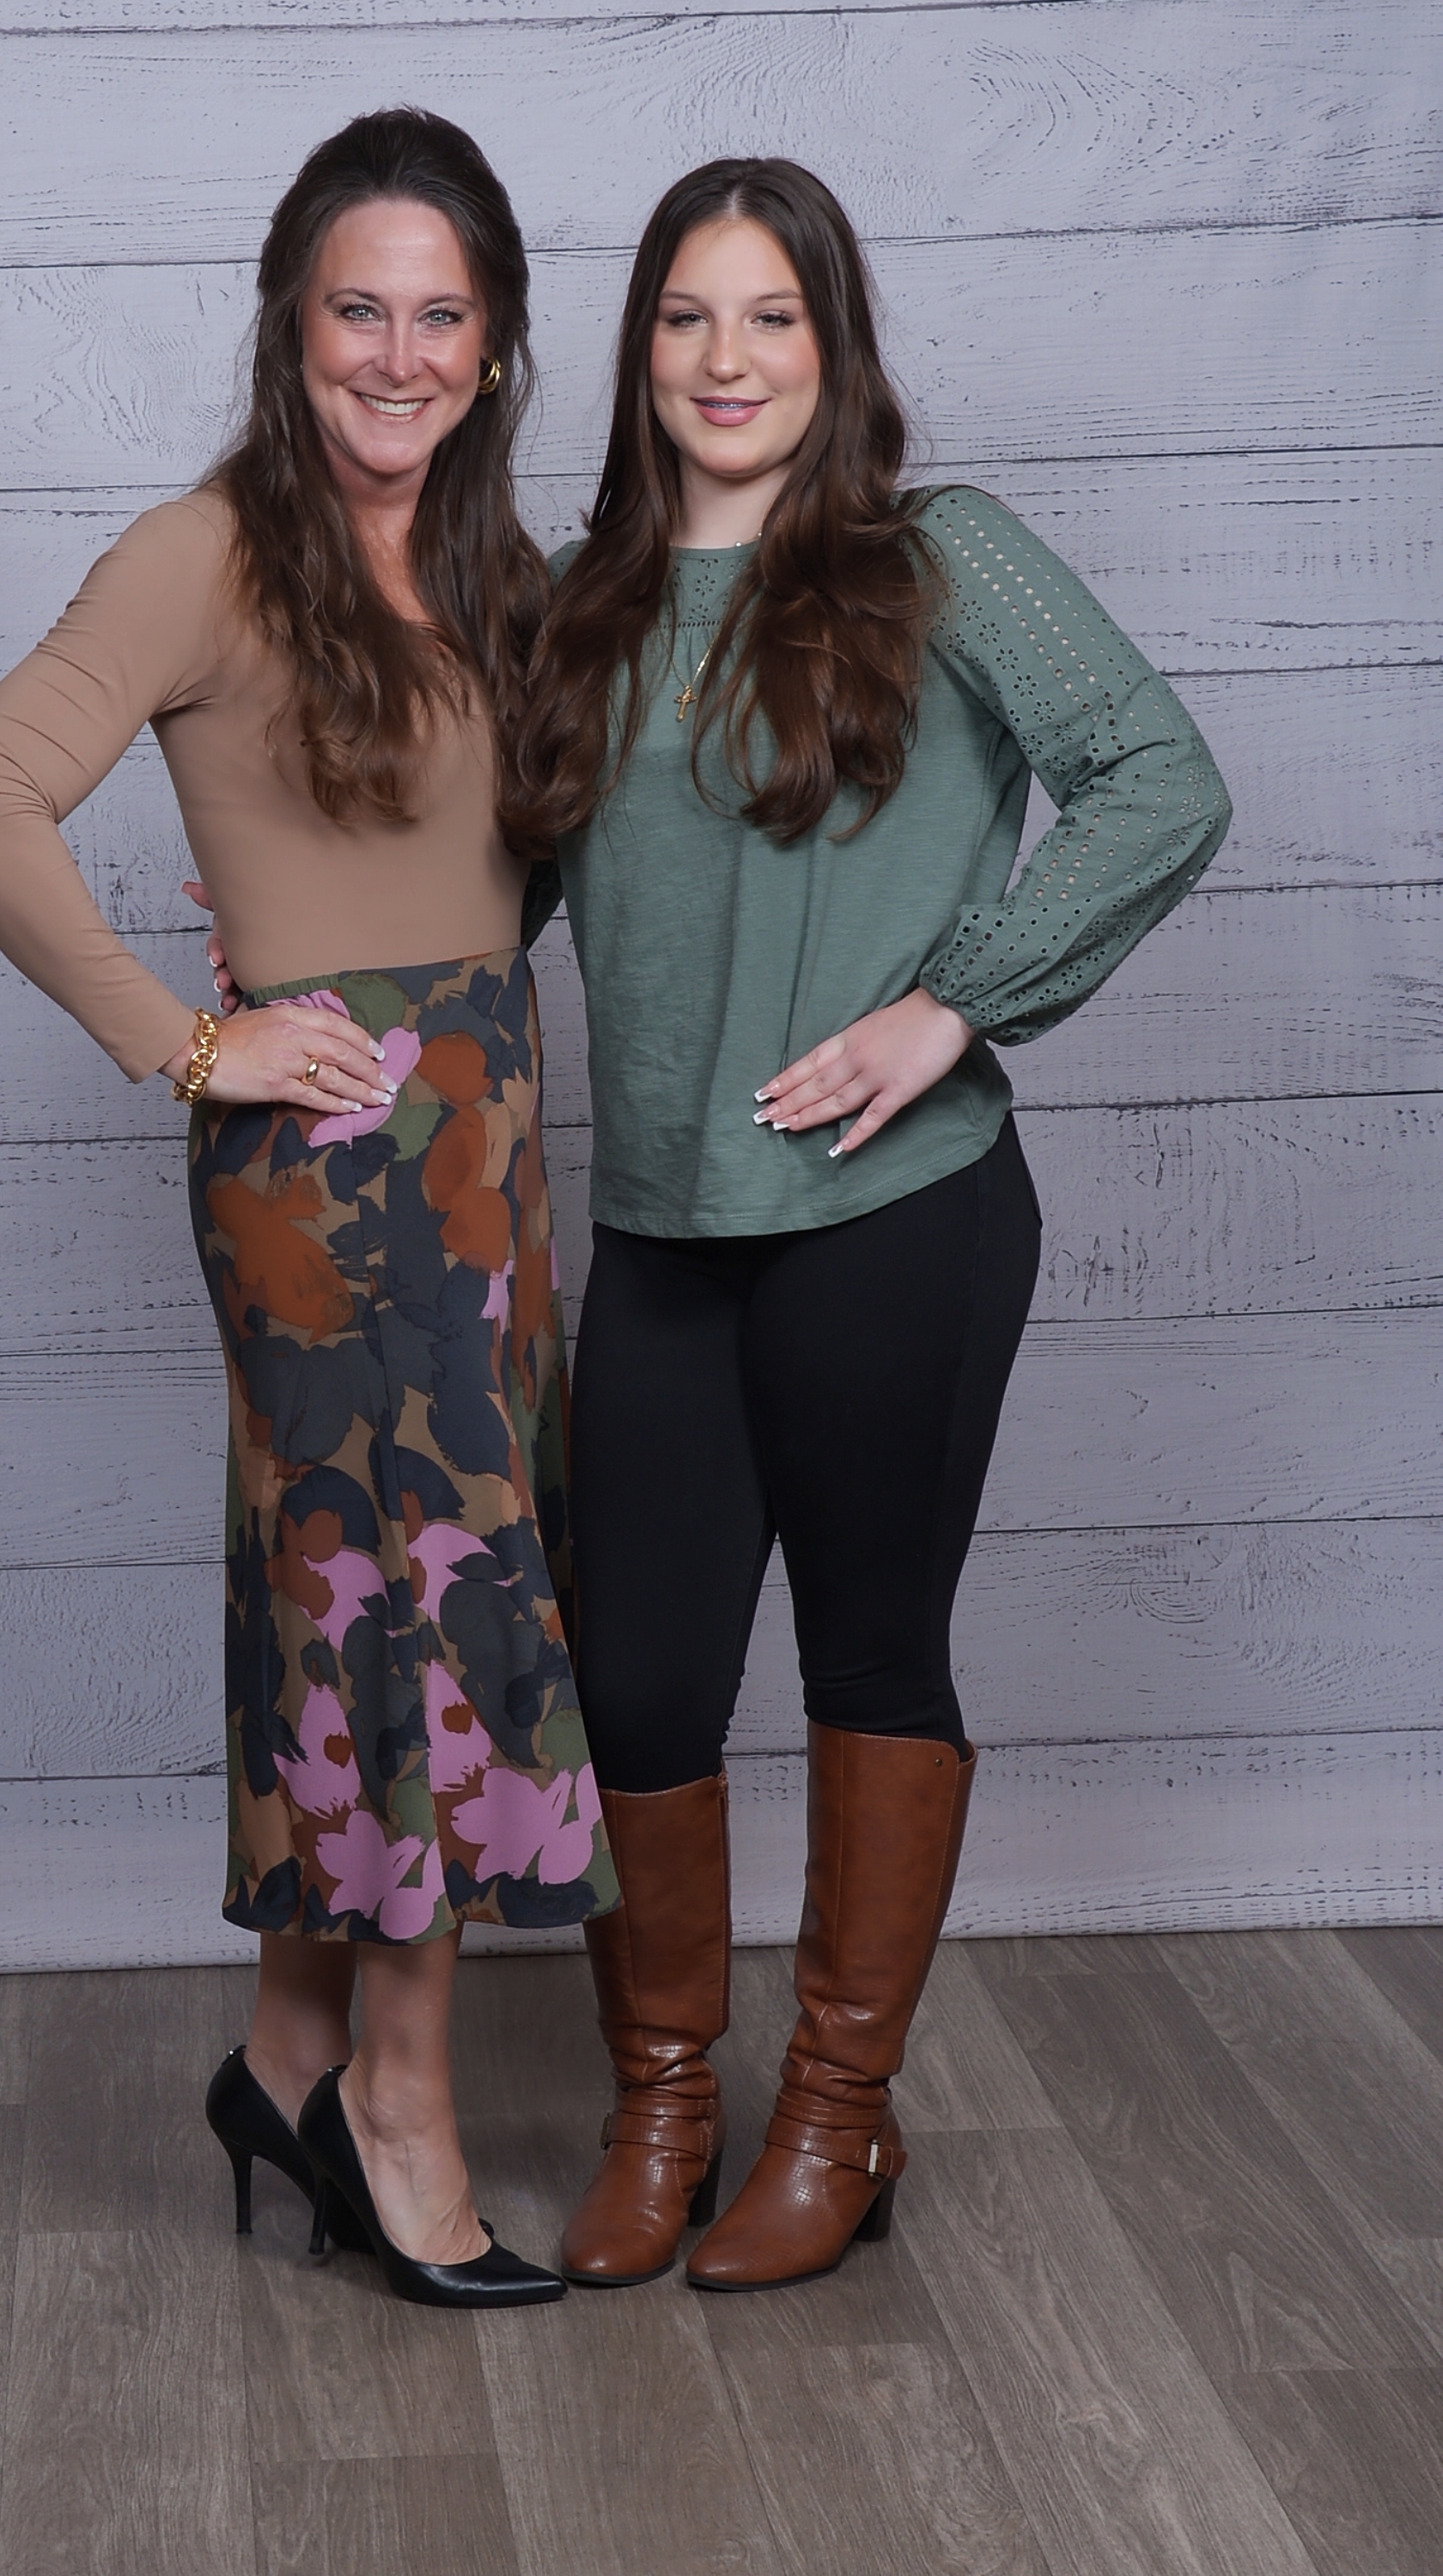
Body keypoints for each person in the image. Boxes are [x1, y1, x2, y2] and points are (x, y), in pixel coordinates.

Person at [0, 110, 615, 2310]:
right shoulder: (204, 552)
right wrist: (189, 1035)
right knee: (417, 1615)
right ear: (288, 328)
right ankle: (400, 2121)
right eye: (355, 311)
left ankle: (288, 2060)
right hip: (330, 1170)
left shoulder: (506, 571)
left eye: (440, 314)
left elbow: (515, 869)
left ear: (494, 346)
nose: (396, 355)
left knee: (377, 1601)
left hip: (487, 1144)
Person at [512, 159, 1232, 2290]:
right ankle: (664, 2101)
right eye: (685, 318)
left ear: (836, 348)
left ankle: (838, 2115)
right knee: (638, 1685)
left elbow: (1160, 779)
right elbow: (491, 886)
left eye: (773, 318)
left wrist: (960, 1004)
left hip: (894, 1221)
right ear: (639, 350)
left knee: (869, 1658)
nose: (726, 360)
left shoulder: (940, 562)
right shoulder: (574, 602)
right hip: (668, 1232)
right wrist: (302, 939)